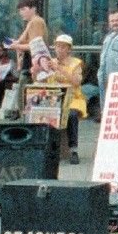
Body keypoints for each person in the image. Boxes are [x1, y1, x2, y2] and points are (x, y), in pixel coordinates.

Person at [47, 34, 87, 165]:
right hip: (53, 97)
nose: (59, 49)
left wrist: (59, 68)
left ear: (69, 49)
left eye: (63, 47)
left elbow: (76, 82)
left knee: (71, 115)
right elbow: (42, 79)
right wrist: (36, 71)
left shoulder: (76, 64)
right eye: (57, 46)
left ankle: (73, 149)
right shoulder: (50, 62)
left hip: (73, 98)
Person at [8, 0, 49, 83]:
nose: (21, 12)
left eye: (23, 9)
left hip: (33, 66)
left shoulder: (36, 21)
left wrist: (16, 46)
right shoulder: (31, 22)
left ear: (33, 9)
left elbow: (36, 46)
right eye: (20, 10)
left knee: (26, 94)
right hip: (29, 65)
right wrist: (16, 44)